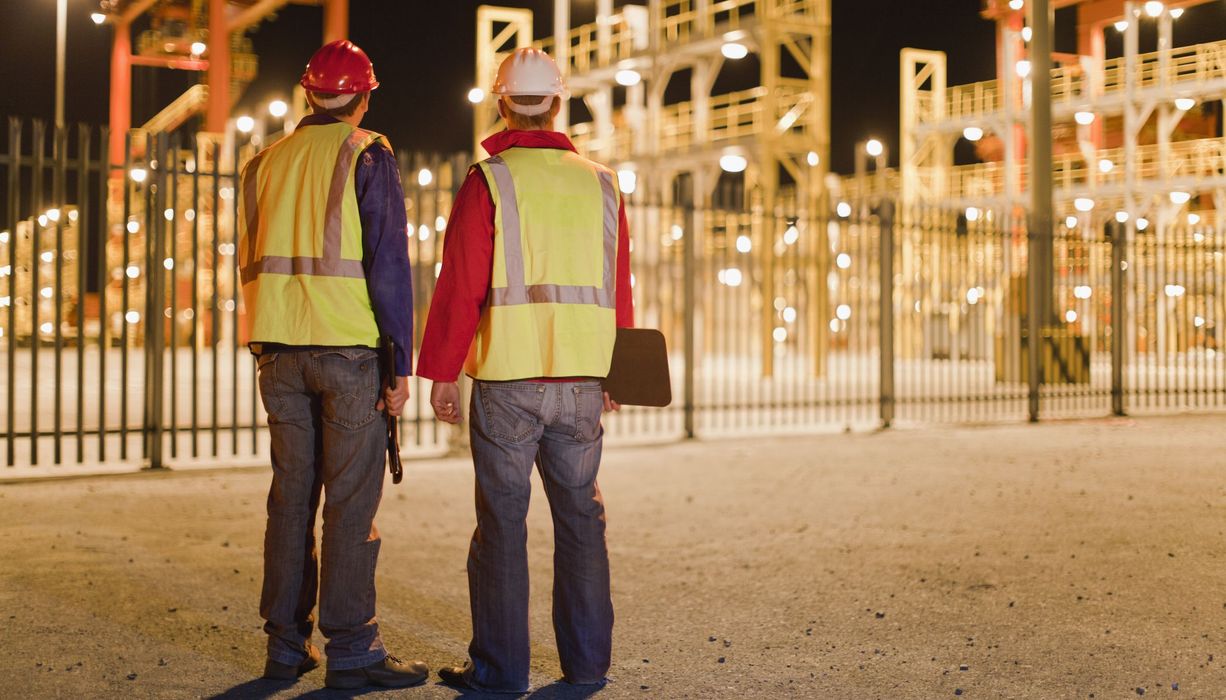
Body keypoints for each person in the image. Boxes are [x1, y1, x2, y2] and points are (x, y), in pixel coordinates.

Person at [417, 47, 634, 693]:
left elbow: (461, 285)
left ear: (500, 100)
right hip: (581, 381)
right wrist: (616, 371)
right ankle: (588, 666)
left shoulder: (490, 179)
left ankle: (501, 673)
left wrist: (441, 371)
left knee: (502, 527)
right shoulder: (602, 181)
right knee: (581, 523)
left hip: (508, 380)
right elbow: (616, 285)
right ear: (559, 102)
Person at [237, 39, 427, 689]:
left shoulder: (261, 163)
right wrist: (397, 361)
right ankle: (352, 651)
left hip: (278, 353)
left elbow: (251, 258)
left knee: (290, 499)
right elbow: (388, 265)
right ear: (364, 96)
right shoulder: (366, 152)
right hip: (348, 352)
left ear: (305, 92)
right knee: (348, 503)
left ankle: (285, 645)